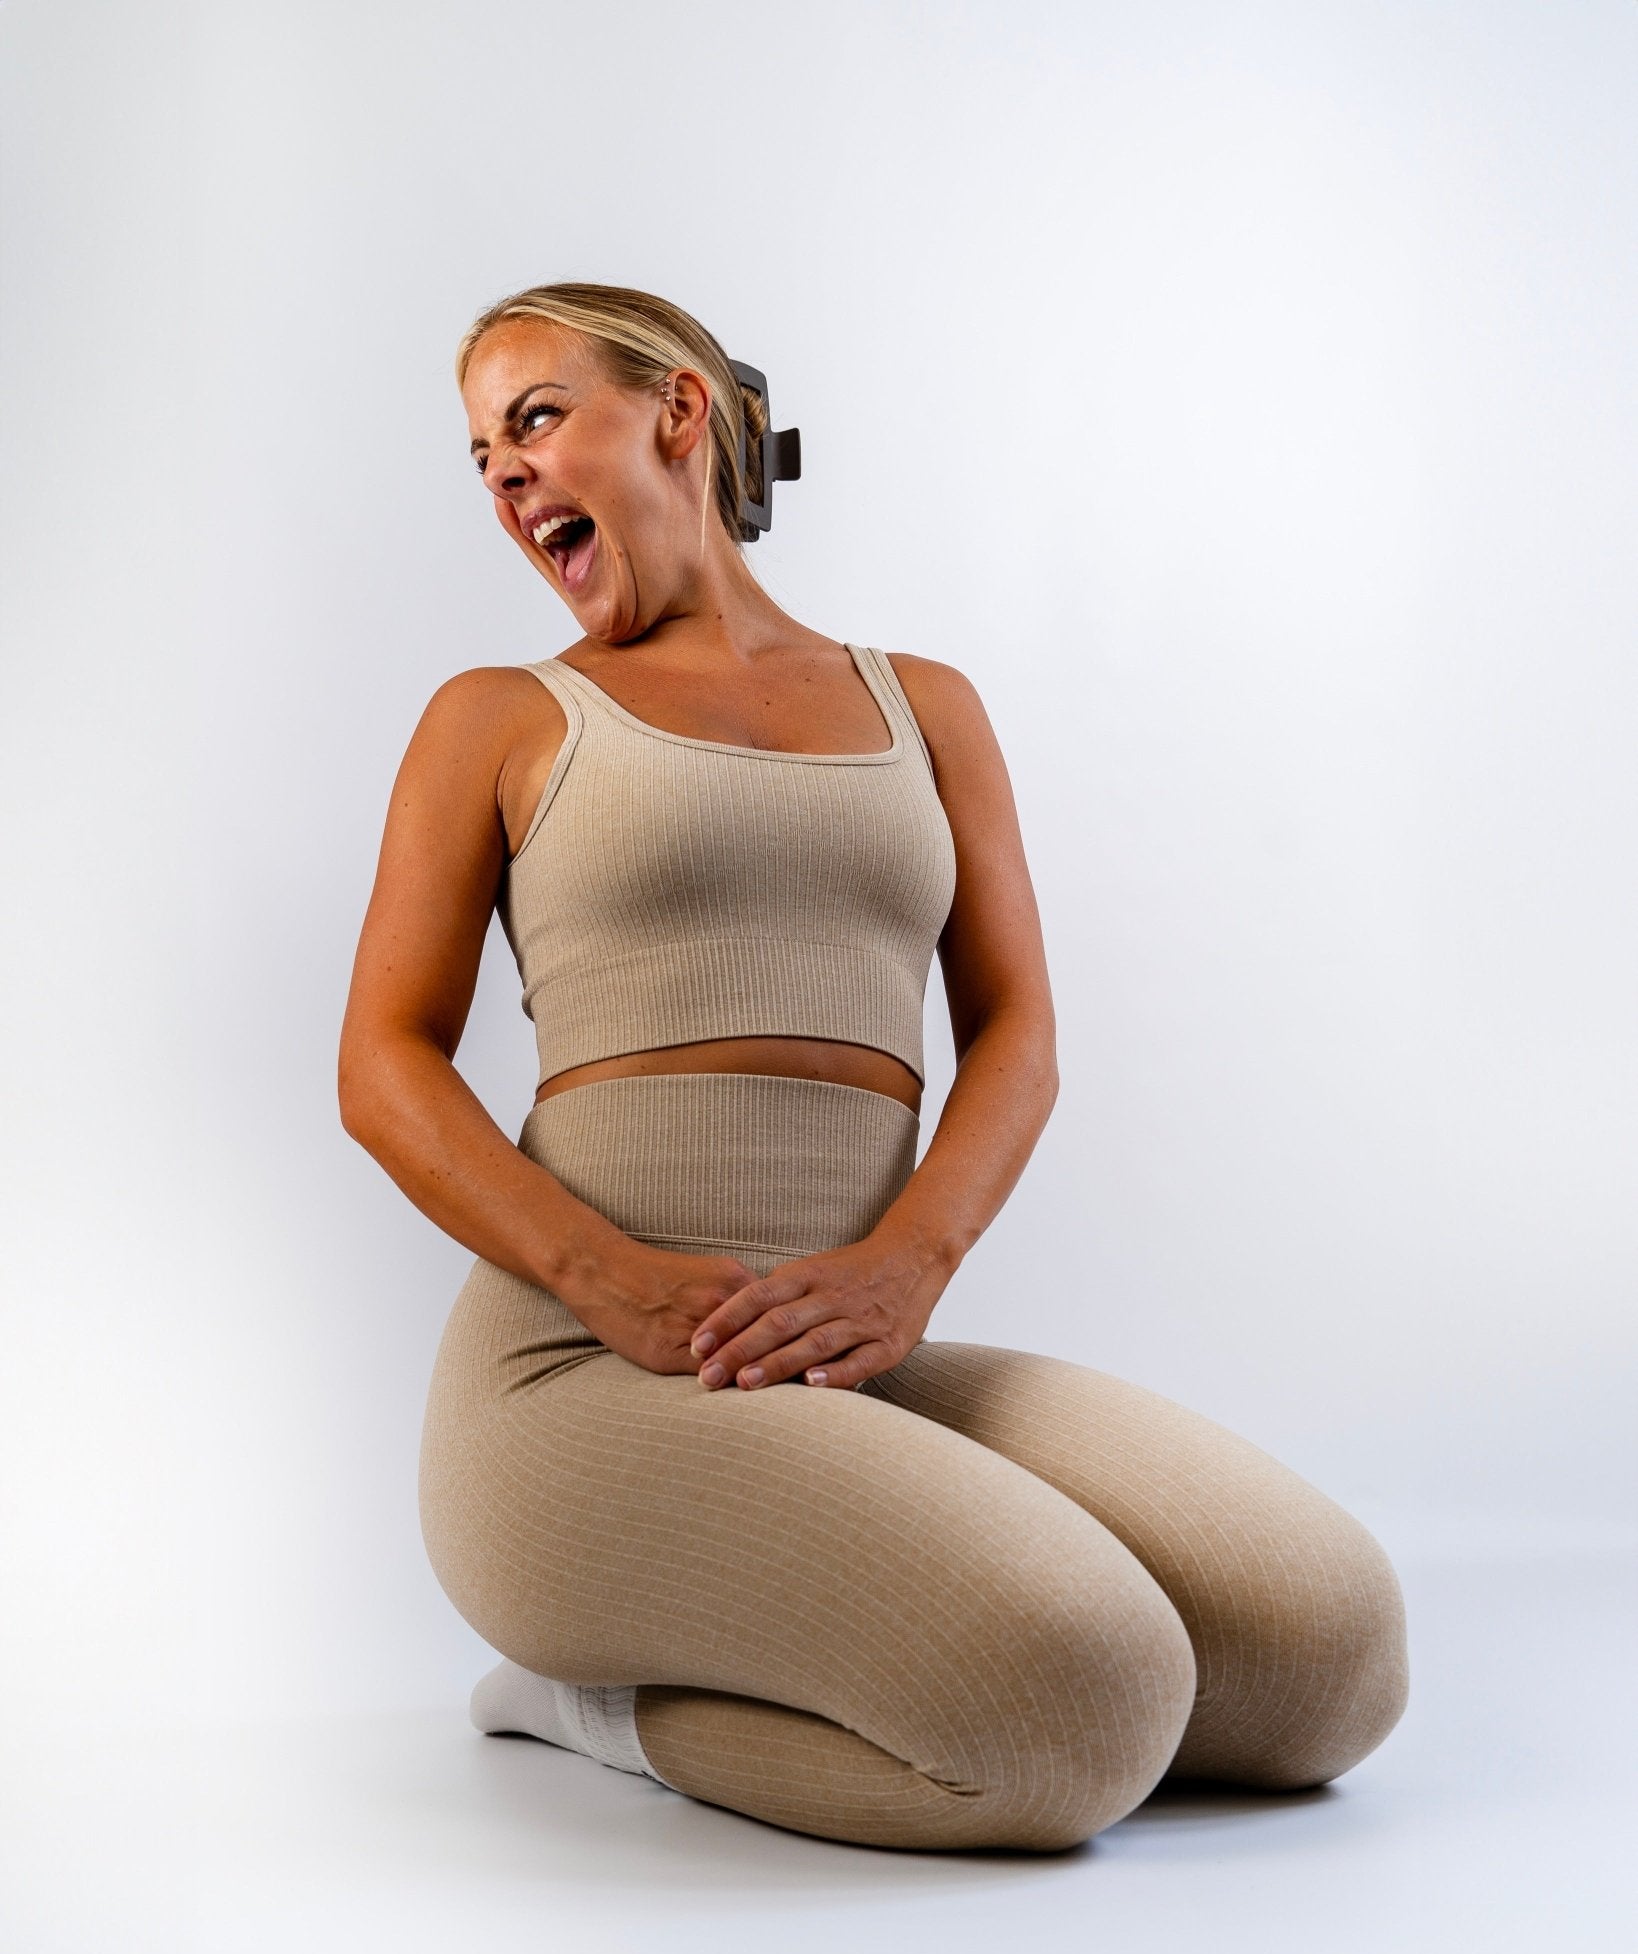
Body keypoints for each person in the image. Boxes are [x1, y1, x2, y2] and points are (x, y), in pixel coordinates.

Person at [337, 280, 1409, 1854]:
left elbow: (1017, 1034)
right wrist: (611, 1278)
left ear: (679, 411)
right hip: (582, 1376)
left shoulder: (926, 707)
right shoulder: (501, 719)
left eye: (537, 419)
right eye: (481, 452)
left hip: (854, 1352)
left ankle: (904, 1641)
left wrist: (909, 1268)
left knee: (1328, 1661)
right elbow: (383, 1065)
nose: (503, 472)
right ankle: (591, 1702)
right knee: (1079, 1713)